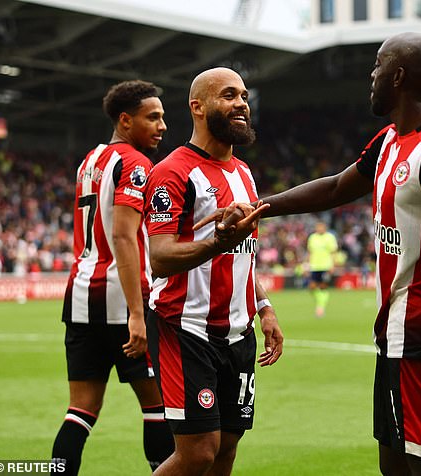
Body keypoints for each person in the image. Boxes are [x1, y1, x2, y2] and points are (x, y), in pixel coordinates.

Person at [214, 32, 421, 476]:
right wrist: (259, 209)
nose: (372, 75)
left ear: (399, 76)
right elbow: (335, 187)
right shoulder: (391, 140)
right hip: (394, 336)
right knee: (395, 467)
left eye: (378, 65)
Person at [144, 67, 284, 476]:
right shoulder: (172, 172)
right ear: (198, 106)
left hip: (238, 334)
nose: (241, 103)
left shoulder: (244, 173)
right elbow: (161, 256)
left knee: (226, 450)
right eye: (229, 95)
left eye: (243, 95)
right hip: (185, 327)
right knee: (198, 452)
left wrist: (265, 307)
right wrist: (216, 242)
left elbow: (245, 253)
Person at [52, 80, 174, 475]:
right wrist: (138, 315)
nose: (162, 126)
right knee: (157, 406)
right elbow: (123, 235)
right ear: (126, 120)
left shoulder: (89, 160)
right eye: (152, 117)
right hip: (123, 302)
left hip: (81, 296)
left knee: (80, 410)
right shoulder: (136, 164)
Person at [307, 221, 338, 317]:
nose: (319, 229)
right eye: (318, 227)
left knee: (323, 286)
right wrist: (307, 264)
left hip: (326, 266)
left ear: (324, 228)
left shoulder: (330, 237)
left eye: (321, 227)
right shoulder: (312, 237)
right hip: (314, 266)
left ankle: (320, 307)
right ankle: (320, 303)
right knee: (312, 287)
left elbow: (333, 252)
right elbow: (310, 252)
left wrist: (333, 265)